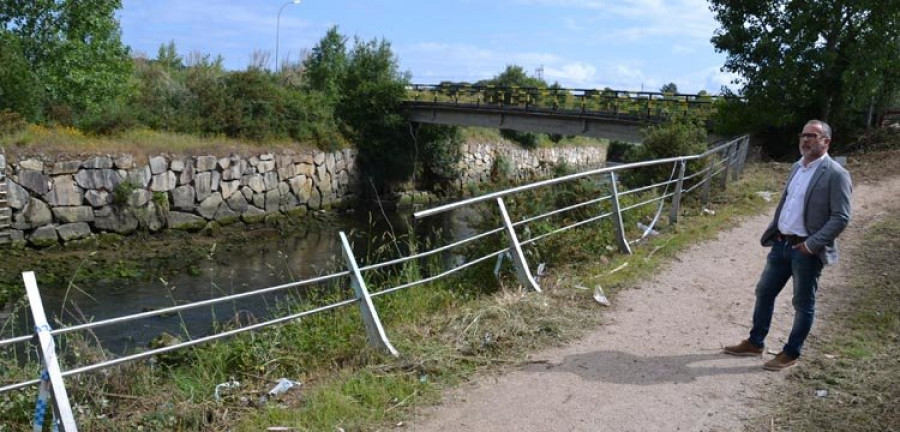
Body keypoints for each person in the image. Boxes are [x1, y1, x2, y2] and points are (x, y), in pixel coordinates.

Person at [723, 119, 852, 371]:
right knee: (764, 292)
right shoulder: (797, 167)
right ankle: (755, 342)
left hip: (806, 250)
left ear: (826, 142)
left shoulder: (836, 173)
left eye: (813, 136)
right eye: (803, 135)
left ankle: (791, 352)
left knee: (803, 303)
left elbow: (841, 217)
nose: (806, 140)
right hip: (781, 244)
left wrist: (811, 245)